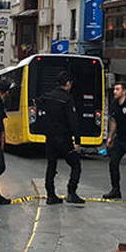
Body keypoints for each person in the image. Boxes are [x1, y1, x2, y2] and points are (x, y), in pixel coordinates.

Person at [40, 71, 85, 205]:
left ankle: (50, 195)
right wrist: (77, 141)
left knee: (51, 166)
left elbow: (38, 105)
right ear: (68, 83)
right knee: (75, 164)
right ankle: (71, 192)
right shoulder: (67, 99)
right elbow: (73, 121)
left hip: (50, 138)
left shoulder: (47, 97)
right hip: (63, 138)